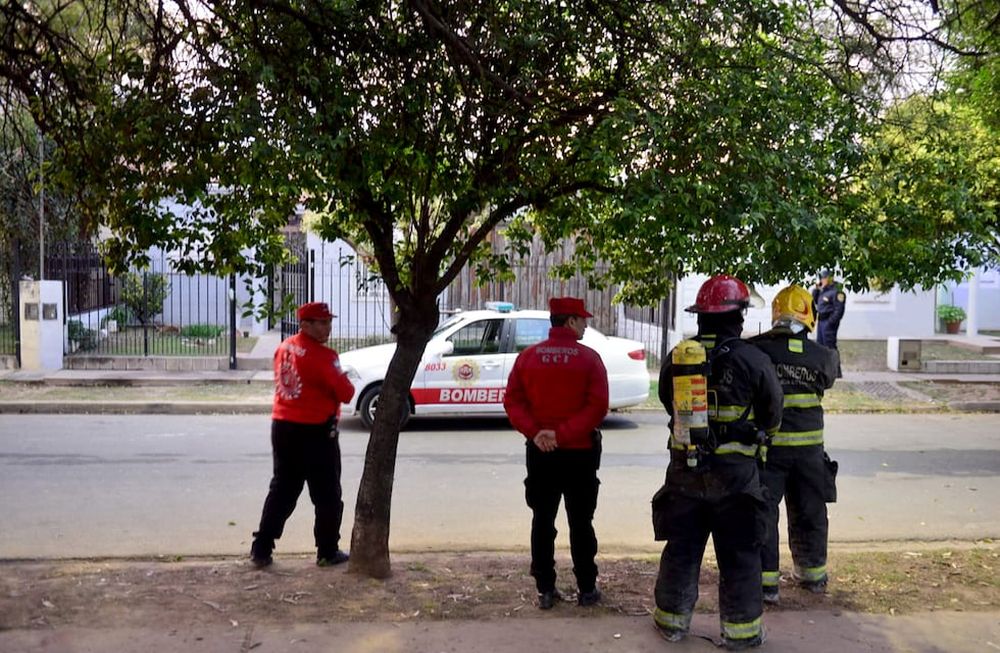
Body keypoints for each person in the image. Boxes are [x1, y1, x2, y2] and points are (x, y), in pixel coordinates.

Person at [652, 274, 782, 651]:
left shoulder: (678, 358)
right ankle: (742, 634)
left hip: (685, 474)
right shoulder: (754, 359)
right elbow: (773, 414)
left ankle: (671, 624)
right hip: (736, 479)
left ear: (701, 316)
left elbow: (667, 402)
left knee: (681, 549)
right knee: (741, 553)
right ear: (738, 316)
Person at [504, 296, 609, 610]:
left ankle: (545, 589)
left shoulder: (528, 357)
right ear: (571, 322)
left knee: (542, 520)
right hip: (580, 453)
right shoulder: (589, 359)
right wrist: (562, 435)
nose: (587, 325)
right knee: (581, 522)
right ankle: (587, 588)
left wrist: (538, 433)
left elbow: (512, 401)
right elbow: (597, 407)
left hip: (540, 454)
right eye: (583, 320)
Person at [750, 285, 840, 603]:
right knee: (810, 513)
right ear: (809, 316)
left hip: (768, 452)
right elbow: (827, 380)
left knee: (764, 515)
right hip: (810, 454)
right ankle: (812, 576)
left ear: (776, 315)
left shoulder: (757, 350)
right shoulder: (824, 356)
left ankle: (766, 586)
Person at [250, 301, 356, 568]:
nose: (328, 327)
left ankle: (261, 548)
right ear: (305, 324)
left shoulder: (284, 347)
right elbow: (346, 393)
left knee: (283, 489)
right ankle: (327, 550)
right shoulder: (324, 357)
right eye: (322, 322)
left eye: (329, 322)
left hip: (283, 426)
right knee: (328, 495)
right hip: (316, 431)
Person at [812, 270, 846, 350]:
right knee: (820, 346)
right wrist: (816, 289)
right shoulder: (823, 290)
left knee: (829, 345)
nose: (821, 280)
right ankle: (822, 362)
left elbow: (839, 310)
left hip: (828, 322)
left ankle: (833, 362)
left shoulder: (836, 291)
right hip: (821, 321)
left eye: (823, 278)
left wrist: (831, 322)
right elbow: (814, 300)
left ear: (829, 279)